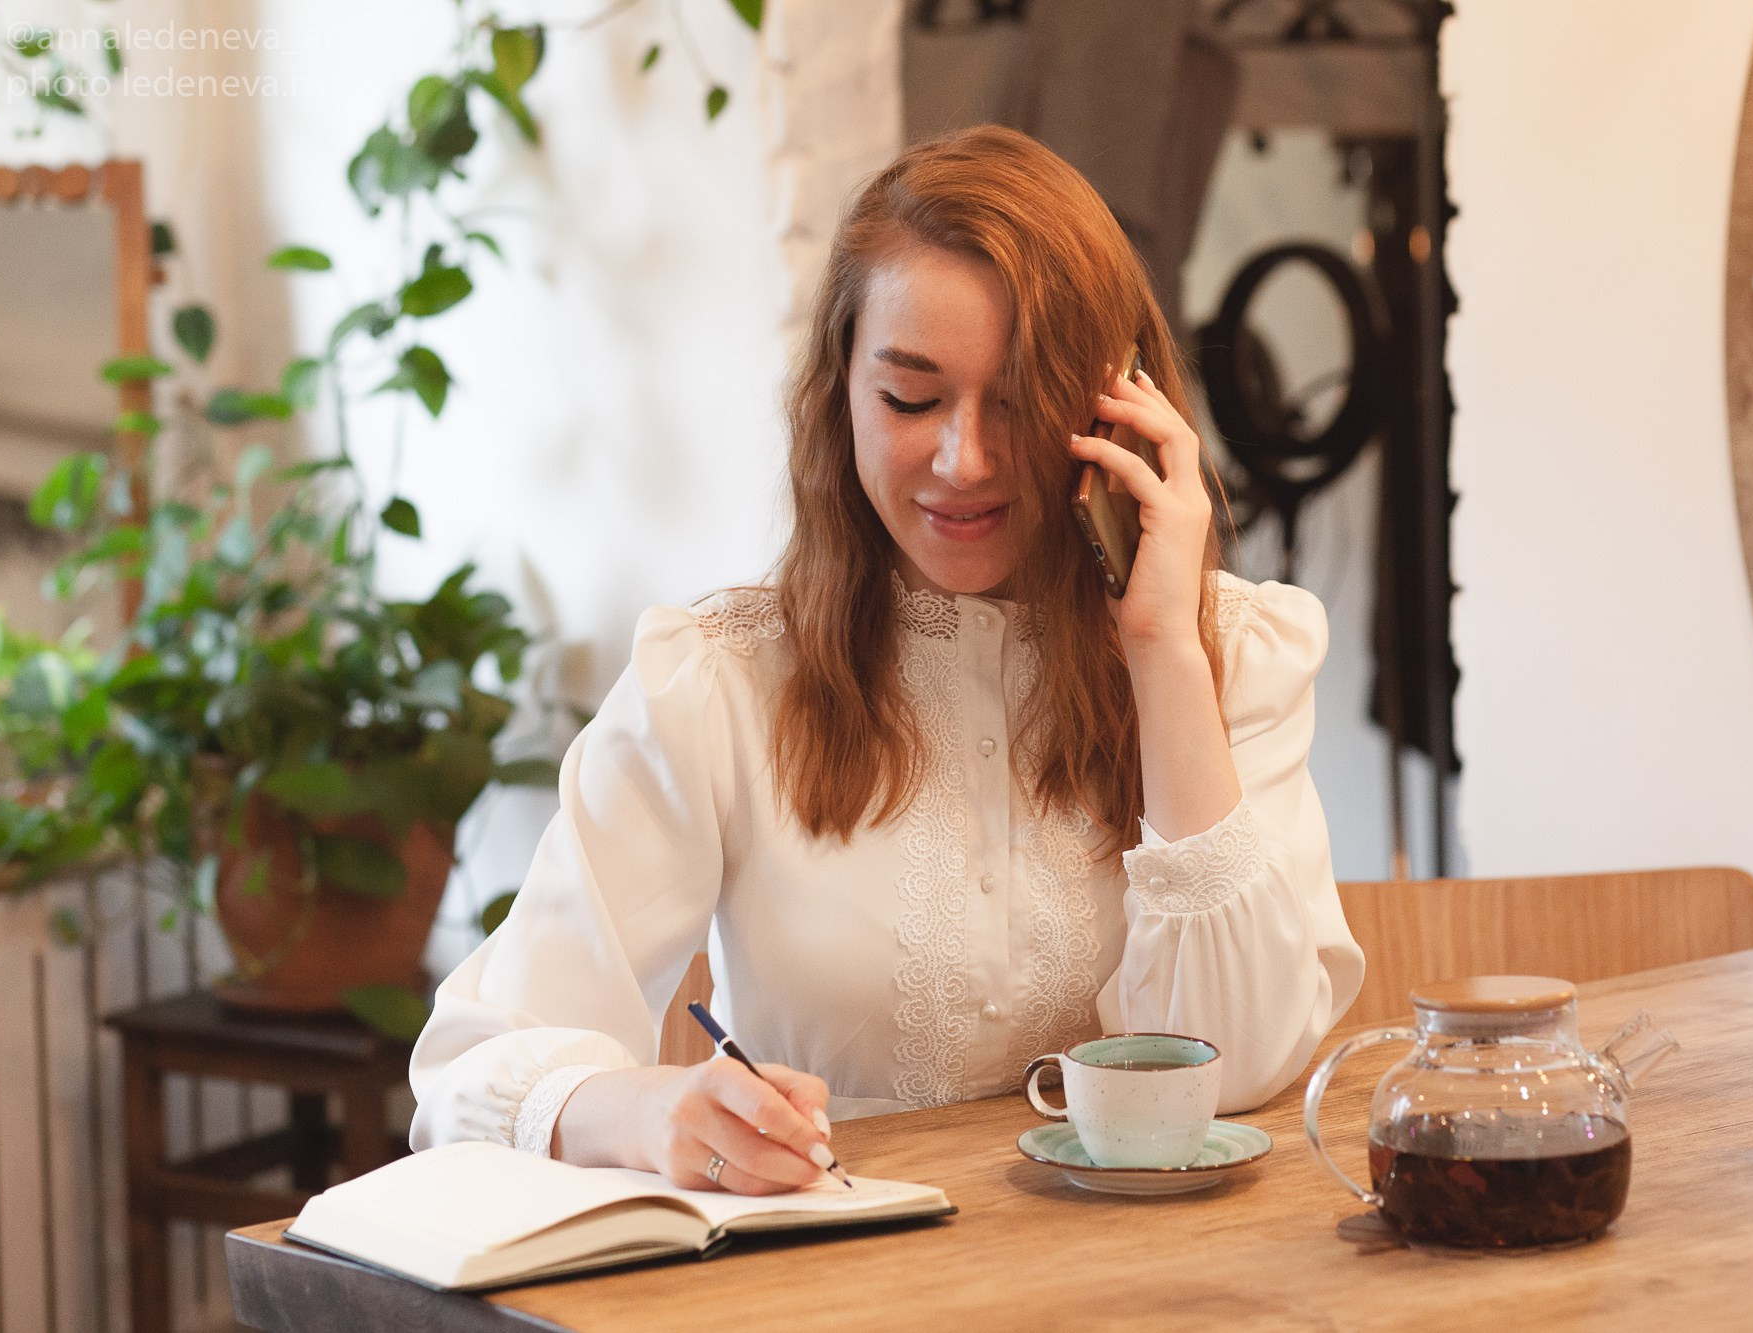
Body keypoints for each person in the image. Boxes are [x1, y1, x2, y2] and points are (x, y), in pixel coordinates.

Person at [409, 125, 1365, 1196]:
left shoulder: (1233, 654)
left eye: (1019, 403)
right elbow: (470, 1064)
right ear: (839, 396)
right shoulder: (717, 681)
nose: (964, 460)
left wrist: (1160, 653)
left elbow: (1231, 1067)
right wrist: (645, 1108)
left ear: (1116, 413)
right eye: (911, 399)